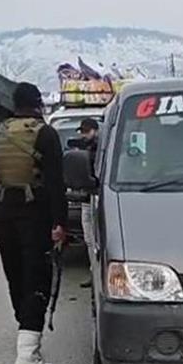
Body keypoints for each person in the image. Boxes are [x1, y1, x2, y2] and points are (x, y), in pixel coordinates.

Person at [0, 82, 68, 364]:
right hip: (36, 216)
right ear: (38, 103)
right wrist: (60, 223)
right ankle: (27, 357)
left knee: (16, 279)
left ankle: (26, 342)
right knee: (37, 280)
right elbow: (56, 183)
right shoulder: (45, 134)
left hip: (5, 216)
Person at [77, 118, 99, 288]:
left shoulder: (100, 148)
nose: (84, 135)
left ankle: (97, 274)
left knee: (94, 239)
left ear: (95, 130)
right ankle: (94, 273)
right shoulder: (85, 148)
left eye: (87, 131)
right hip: (87, 197)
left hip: (97, 197)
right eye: (82, 132)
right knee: (89, 240)